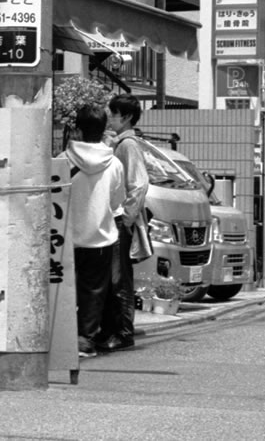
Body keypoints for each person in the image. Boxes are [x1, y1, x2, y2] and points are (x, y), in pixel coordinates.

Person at [66, 104, 127, 358]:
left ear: (77, 130)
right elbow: (116, 203)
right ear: (103, 130)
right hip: (100, 238)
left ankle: (61, 336)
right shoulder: (114, 164)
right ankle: (84, 340)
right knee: (93, 292)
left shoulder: (63, 159)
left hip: (66, 239)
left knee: (65, 287)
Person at [101, 93, 150, 351]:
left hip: (120, 220)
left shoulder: (128, 145)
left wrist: (127, 218)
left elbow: (139, 184)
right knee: (115, 277)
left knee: (119, 279)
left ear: (127, 116)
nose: (109, 117)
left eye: (113, 113)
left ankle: (122, 332)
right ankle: (114, 330)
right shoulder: (120, 142)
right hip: (117, 220)